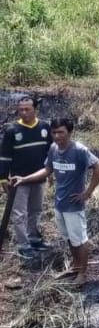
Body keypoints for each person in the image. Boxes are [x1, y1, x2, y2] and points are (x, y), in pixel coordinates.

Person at [12, 118, 99, 284]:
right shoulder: (54, 148)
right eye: (54, 132)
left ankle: (82, 273)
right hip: (60, 203)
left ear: (69, 132)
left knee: (79, 239)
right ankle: (75, 269)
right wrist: (24, 179)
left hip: (74, 205)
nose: (57, 136)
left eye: (61, 132)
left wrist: (88, 192)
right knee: (69, 238)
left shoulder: (79, 150)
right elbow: (47, 169)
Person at [0, 96, 53, 261]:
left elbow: (50, 153)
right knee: (19, 213)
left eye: (27, 109)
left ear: (35, 109)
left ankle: (34, 238)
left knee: (36, 210)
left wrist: (50, 173)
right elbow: (4, 157)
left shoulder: (45, 128)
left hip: (39, 178)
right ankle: (23, 245)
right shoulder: (12, 131)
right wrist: (2, 179)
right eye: (21, 109)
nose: (24, 112)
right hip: (18, 181)